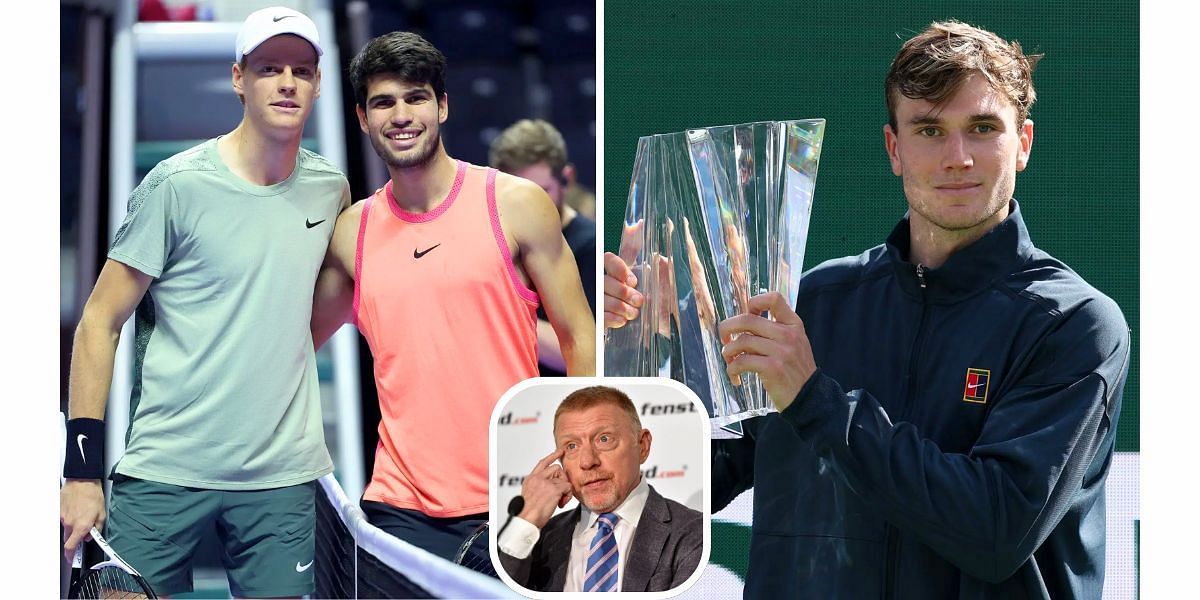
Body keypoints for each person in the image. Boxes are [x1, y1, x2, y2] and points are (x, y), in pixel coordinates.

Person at [604, 20, 1130, 598]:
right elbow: (679, 487)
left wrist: (814, 399)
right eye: (929, 130)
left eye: (982, 128)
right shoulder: (817, 303)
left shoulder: (1073, 322)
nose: (957, 157)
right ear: (894, 149)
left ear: (1022, 143)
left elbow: (996, 528)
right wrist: (641, 356)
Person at [59, 7, 347, 597]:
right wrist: (81, 472)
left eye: (301, 70)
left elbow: (307, 312)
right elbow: (98, 322)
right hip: (164, 468)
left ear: (319, 84)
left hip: (282, 481)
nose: (287, 82)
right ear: (239, 78)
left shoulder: (332, 188)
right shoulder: (174, 185)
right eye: (269, 68)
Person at [311, 32, 596, 565]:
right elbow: (292, 341)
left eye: (416, 97)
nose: (401, 114)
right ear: (361, 118)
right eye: (383, 102)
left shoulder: (516, 204)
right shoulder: (351, 233)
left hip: (519, 497)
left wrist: (575, 459)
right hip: (400, 507)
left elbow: (581, 336)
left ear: (442, 105)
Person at [497, 385, 702, 592]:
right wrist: (526, 521)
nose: (587, 462)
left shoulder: (696, 533)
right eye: (572, 446)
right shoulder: (537, 540)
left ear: (642, 445)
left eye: (604, 439)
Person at [489, 118, 597, 376]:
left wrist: (499, 315)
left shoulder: (591, 247)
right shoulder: (493, 244)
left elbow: (587, 353)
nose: (530, 205)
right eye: (518, 194)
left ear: (566, 179)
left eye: (541, 191)